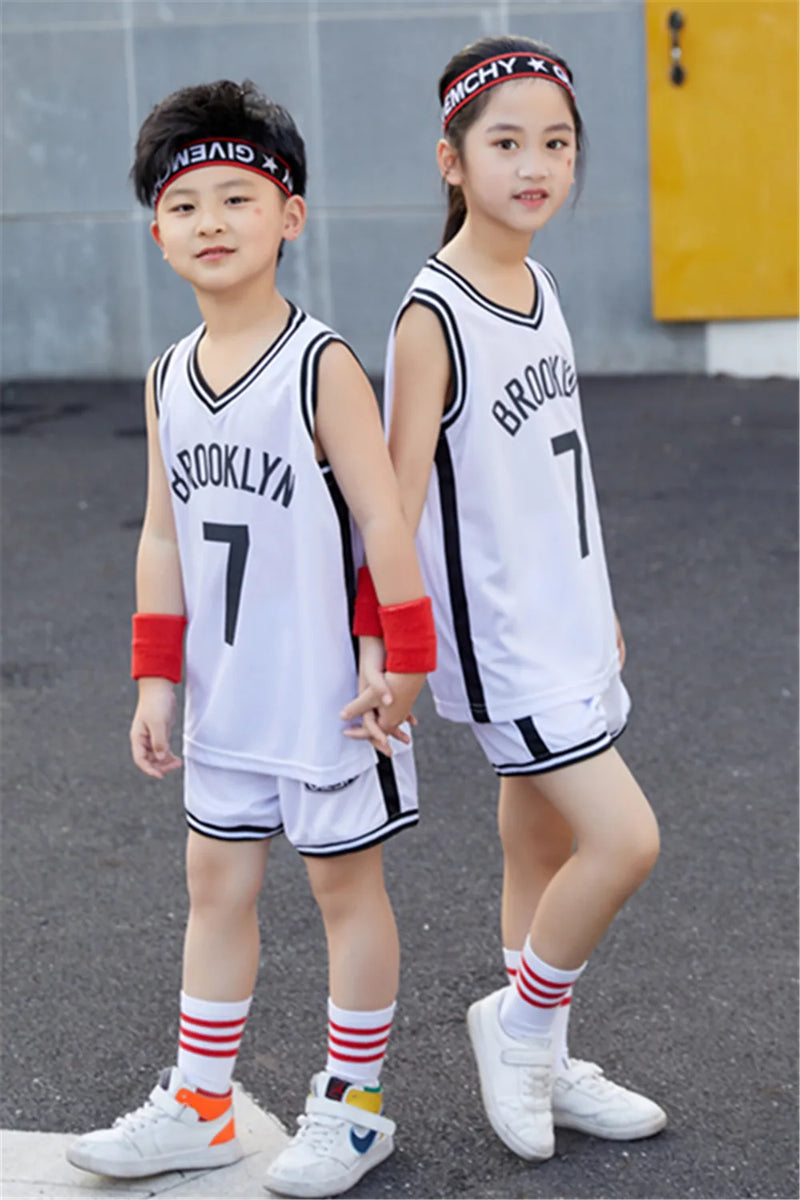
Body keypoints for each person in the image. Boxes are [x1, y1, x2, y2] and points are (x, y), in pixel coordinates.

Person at [65, 78, 436, 1199]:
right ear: (156, 232)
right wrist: (153, 678)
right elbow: (164, 537)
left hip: (329, 691)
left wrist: (402, 655)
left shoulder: (317, 363)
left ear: (291, 217)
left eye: (239, 196)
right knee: (213, 888)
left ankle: (353, 1108)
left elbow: (383, 515)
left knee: (342, 892)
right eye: (186, 205)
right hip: (227, 699)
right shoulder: (166, 377)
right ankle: (201, 1101)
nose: (212, 222)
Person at [346, 35, 667, 1161]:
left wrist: (601, 594)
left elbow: (557, 466)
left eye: (555, 143)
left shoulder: (536, 281)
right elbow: (387, 495)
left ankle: (546, 1051)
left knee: (535, 836)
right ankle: (517, 1025)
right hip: (503, 640)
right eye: (504, 143)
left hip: (569, 619)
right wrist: (387, 644)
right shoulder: (432, 313)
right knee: (623, 842)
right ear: (451, 159)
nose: (533, 164)